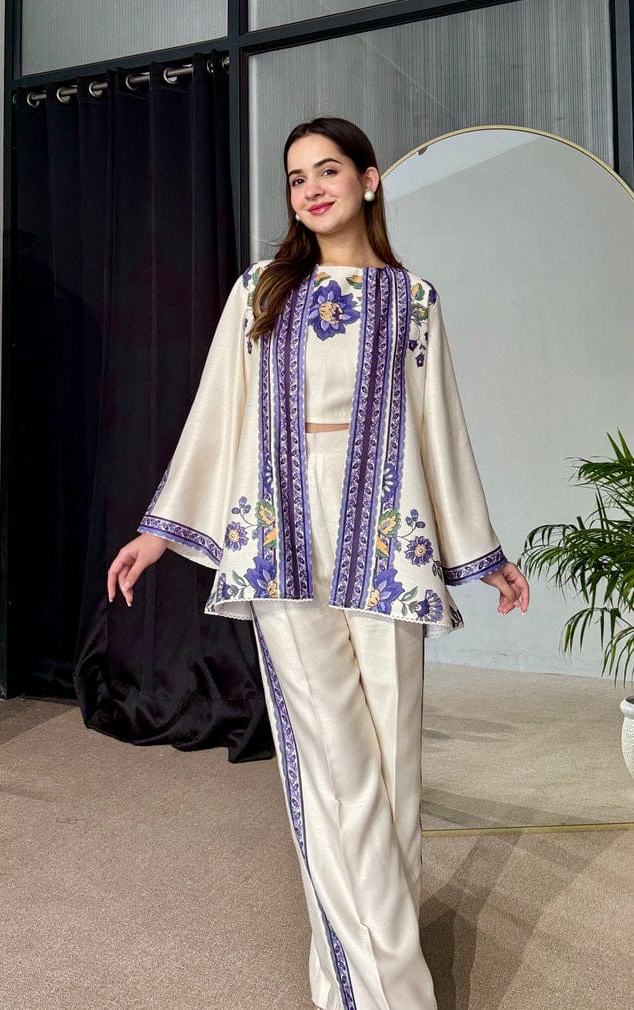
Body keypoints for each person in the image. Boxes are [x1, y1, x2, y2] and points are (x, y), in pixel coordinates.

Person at [107, 117, 530, 1010]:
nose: (310, 190)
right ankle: (390, 993)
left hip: (388, 553)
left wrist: (479, 552)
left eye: (327, 170)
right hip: (280, 551)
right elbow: (215, 413)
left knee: (393, 774)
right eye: (297, 178)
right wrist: (161, 532)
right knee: (339, 769)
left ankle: (354, 979)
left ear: (369, 180)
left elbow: (440, 431)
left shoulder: (414, 300)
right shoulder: (260, 290)